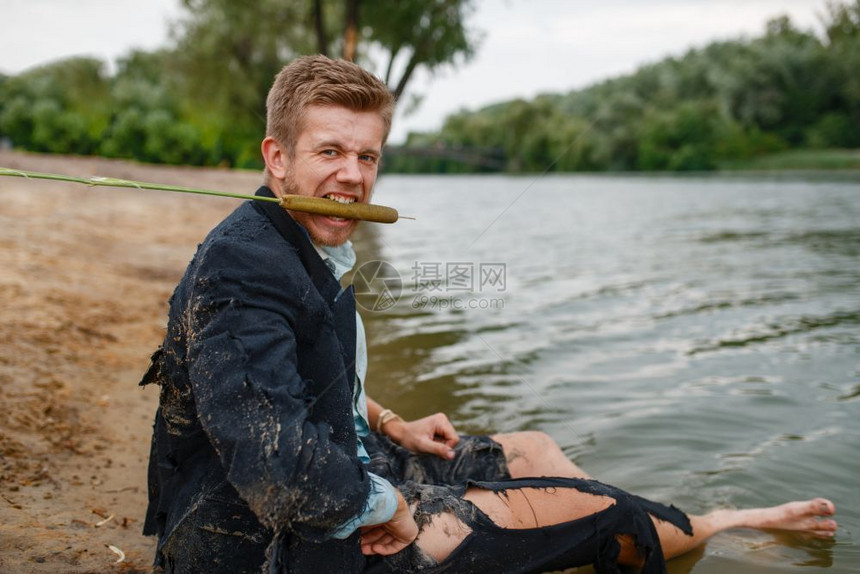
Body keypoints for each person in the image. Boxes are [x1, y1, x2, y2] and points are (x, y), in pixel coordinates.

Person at [140, 55, 837, 574]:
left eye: (367, 156)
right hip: (276, 545)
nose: (353, 177)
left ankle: (617, 536)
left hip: (349, 457)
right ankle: (715, 523)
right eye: (330, 152)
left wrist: (387, 421)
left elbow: (300, 372)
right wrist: (390, 506)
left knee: (531, 450)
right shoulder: (245, 265)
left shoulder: (305, 240)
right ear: (277, 157)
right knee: (608, 514)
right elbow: (274, 461)